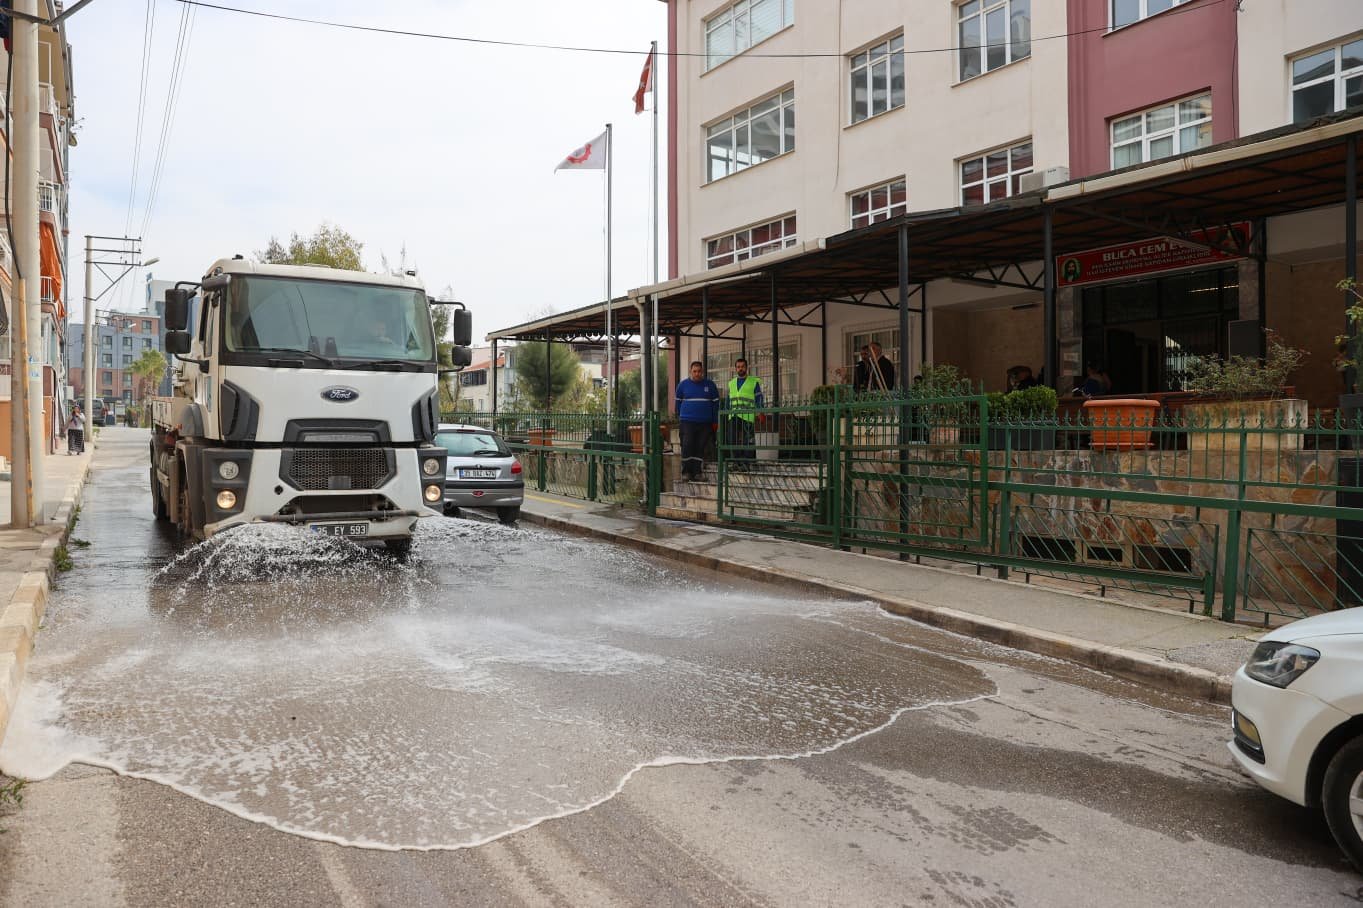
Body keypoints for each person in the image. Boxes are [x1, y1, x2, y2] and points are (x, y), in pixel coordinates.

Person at [675, 360, 720, 481]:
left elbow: (716, 404)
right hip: (687, 422)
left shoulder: (710, 385)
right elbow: (678, 402)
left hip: (705, 422)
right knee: (687, 445)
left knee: (700, 447)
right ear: (690, 372)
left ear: (702, 372)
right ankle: (686, 472)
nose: (697, 374)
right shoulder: (682, 385)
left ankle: (697, 473)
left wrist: (715, 421)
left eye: (699, 371)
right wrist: (683, 415)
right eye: (694, 371)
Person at [726, 357, 765, 463]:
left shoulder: (753, 382)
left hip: (748, 415)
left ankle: (748, 462)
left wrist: (760, 412)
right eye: (738, 367)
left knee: (748, 439)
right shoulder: (731, 383)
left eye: (742, 366)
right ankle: (736, 461)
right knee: (732, 439)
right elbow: (728, 400)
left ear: (746, 368)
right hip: (733, 415)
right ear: (735, 369)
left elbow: (759, 397)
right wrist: (725, 413)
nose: (740, 369)